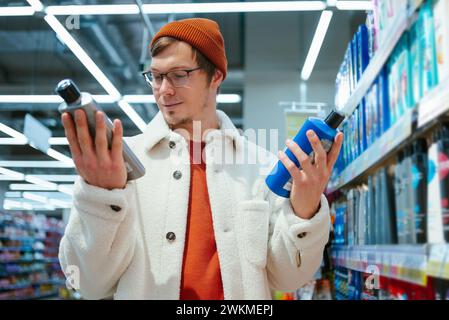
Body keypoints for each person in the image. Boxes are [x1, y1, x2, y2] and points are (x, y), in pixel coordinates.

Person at [58, 18, 343, 300]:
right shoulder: (121, 166)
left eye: (179, 75)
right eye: (156, 77)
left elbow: (289, 278)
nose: (164, 90)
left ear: (216, 76)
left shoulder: (261, 166)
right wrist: (102, 198)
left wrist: (304, 211)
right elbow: (89, 284)